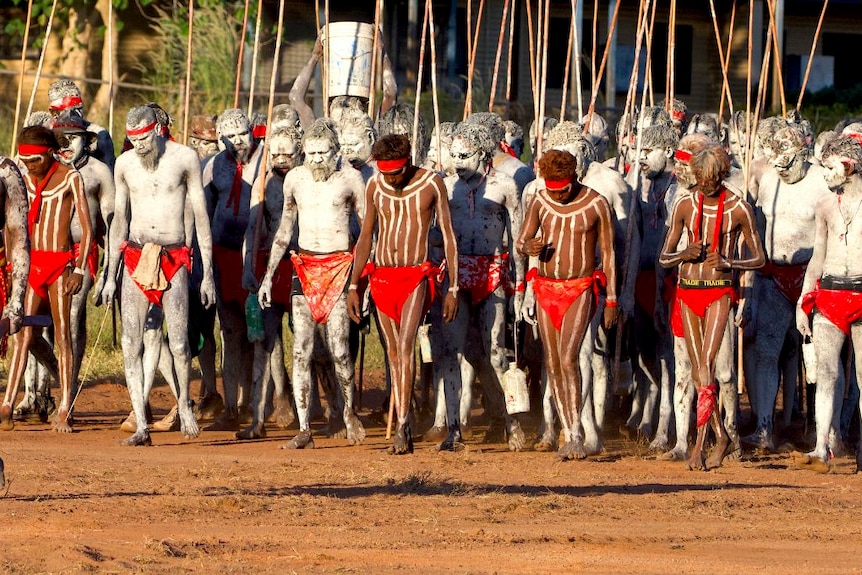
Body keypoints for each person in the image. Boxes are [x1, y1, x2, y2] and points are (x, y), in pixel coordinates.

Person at [101, 105, 216, 446]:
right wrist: (110, 273)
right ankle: (141, 423)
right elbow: (119, 220)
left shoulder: (184, 159)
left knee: (179, 343)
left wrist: (206, 272)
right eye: (132, 140)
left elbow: (200, 214)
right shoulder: (124, 165)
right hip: (137, 255)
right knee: (130, 343)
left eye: (144, 139)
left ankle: (184, 406)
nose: (139, 146)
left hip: (174, 256)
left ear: (158, 131)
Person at [347, 134, 459, 454]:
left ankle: (403, 424)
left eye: (395, 173)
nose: (391, 179)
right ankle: (401, 419)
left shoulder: (431, 184)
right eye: (385, 173)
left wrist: (453, 286)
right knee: (393, 353)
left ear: (408, 163)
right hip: (381, 275)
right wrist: (355, 285)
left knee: (407, 346)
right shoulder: (375, 186)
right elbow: (366, 236)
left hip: (415, 276)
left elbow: (449, 237)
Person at [257, 118, 366, 447]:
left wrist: (361, 282)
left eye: (324, 152)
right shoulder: (294, 179)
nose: (317, 159)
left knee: (340, 351)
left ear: (336, 152)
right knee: (300, 351)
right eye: (312, 153)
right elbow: (283, 231)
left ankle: (347, 412)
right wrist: (267, 277)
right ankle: (304, 428)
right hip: (303, 267)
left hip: (339, 267)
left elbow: (365, 232)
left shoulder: (352, 179)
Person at [659, 145, 764, 470]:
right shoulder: (685, 204)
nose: (703, 185)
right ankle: (719, 436)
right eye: (699, 179)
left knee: (705, 364)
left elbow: (759, 258)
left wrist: (729, 261)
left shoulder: (738, 208)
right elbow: (664, 258)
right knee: (697, 370)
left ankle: (702, 445)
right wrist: (683, 254)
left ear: (720, 175)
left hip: (718, 291)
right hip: (687, 289)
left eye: (709, 179)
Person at [517, 149, 617, 461]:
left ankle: (576, 433)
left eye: (562, 190)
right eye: (552, 190)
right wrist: (528, 246)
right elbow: (521, 241)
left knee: (569, 358)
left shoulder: (596, 203)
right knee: (552, 363)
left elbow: (609, 254)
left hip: (580, 287)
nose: (557, 197)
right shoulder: (540, 200)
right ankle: (567, 429)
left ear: (574, 179)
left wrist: (612, 299)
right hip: (545, 286)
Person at [432, 122, 525, 451]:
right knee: (452, 352)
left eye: (464, 156)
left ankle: (512, 423)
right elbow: (435, 234)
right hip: (456, 275)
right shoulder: (446, 186)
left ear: (483, 154)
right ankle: (454, 429)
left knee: (496, 353)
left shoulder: (505, 186)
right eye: (453, 155)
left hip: (493, 272)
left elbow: (518, 240)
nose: (457, 162)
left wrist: (522, 285)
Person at [743, 122, 832, 453]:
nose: (782, 170)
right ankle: (764, 426)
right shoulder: (767, 179)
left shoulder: (823, 182)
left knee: (819, 358)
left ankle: (825, 432)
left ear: (803, 155)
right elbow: (755, 222)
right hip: (774, 276)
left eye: (788, 163)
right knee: (766, 352)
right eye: (776, 163)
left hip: (813, 280)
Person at [1, 126, 93, 433]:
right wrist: (11, 262)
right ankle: (7, 404)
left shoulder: (70, 177)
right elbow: (8, 224)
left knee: (64, 334)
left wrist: (79, 269)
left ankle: (65, 406)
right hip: (30, 263)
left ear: (50, 154)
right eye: (26, 162)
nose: (30, 167)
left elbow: (87, 226)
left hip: (59, 264)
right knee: (22, 335)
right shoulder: (20, 180)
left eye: (36, 161)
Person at [796, 135, 862, 473]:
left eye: (830, 166)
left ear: (848, 166)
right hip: (830, 295)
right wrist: (803, 300)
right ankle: (822, 446)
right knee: (826, 373)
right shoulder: (825, 206)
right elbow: (817, 256)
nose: (824, 173)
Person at [203, 109, 264, 431]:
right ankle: (230, 407)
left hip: (255, 259)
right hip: (223, 257)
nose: (240, 141)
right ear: (220, 138)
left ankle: (255, 405)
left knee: (258, 334)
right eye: (232, 136)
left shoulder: (265, 160)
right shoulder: (213, 167)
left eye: (244, 133)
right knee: (230, 334)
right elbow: (204, 213)